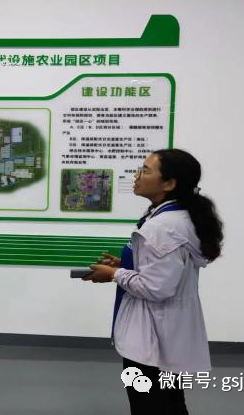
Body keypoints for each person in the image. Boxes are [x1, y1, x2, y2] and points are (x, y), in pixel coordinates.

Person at [84, 149, 223, 415]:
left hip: (150, 339)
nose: (137, 176)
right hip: (167, 334)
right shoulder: (177, 218)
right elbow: (163, 270)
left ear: (169, 183)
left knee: (150, 406)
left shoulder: (162, 227)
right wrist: (126, 265)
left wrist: (114, 274)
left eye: (146, 171)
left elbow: (155, 288)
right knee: (171, 404)